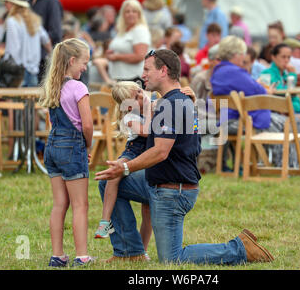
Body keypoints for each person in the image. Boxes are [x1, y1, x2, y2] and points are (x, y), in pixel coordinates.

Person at [95, 48, 274, 264]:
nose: (143, 75)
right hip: (162, 182)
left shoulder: (171, 104)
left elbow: (161, 151)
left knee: (172, 260)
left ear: (163, 71)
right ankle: (130, 252)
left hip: (172, 191)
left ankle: (240, 249)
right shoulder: (179, 101)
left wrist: (124, 167)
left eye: (147, 69)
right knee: (108, 183)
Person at [212, 36, 300, 173]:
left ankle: (290, 166)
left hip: (226, 120)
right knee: (294, 122)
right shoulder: (235, 72)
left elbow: (249, 88)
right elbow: (259, 91)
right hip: (242, 120)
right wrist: (265, 89)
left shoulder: (218, 71)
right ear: (235, 54)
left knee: (289, 121)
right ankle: (293, 167)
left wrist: (259, 87)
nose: (243, 57)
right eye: (242, 54)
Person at [39, 38, 94, 267]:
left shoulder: (53, 86)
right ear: (72, 61)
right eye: (84, 62)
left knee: (59, 203)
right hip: (72, 146)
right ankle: (81, 255)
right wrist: (86, 146)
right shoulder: (78, 88)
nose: (85, 67)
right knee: (80, 204)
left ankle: (57, 255)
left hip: (52, 147)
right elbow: (87, 125)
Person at [94, 82, 152, 257]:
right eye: (135, 98)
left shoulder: (150, 102)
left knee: (147, 208)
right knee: (114, 176)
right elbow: (148, 131)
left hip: (150, 155)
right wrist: (149, 109)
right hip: (133, 153)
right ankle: (105, 221)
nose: (141, 97)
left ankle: (141, 251)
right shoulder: (129, 118)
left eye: (139, 92)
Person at [1, 0, 52, 87]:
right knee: (31, 102)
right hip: (33, 71)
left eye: (6, 2)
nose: (5, 4)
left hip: (17, 73)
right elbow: (46, 41)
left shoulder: (12, 21)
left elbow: (13, 50)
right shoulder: (35, 20)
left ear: (13, 4)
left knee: (14, 102)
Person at [92, 0, 151, 85]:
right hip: (120, 78)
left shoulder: (140, 30)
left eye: (134, 11)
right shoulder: (122, 31)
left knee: (128, 99)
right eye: (127, 11)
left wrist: (116, 57)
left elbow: (140, 56)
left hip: (132, 79)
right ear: (123, 14)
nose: (130, 14)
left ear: (139, 14)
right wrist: (110, 54)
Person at [22, 0, 63, 82]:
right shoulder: (27, 2)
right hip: (28, 60)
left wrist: (35, 40)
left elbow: (56, 34)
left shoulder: (51, 2)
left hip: (43, 61)